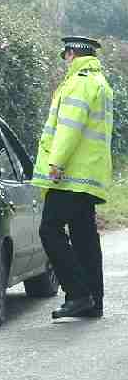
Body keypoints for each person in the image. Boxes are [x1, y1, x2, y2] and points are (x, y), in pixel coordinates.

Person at [31, 36, 113, 319]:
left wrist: (56, 162)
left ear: (72, 54)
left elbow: (70, 127)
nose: (64, 59)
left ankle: (78, 294)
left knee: (49, 230)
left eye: (65, 54)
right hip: (88, 174)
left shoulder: (79, 82)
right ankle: (94, 301)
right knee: (84, 236)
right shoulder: (100, 83)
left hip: (69, 175)